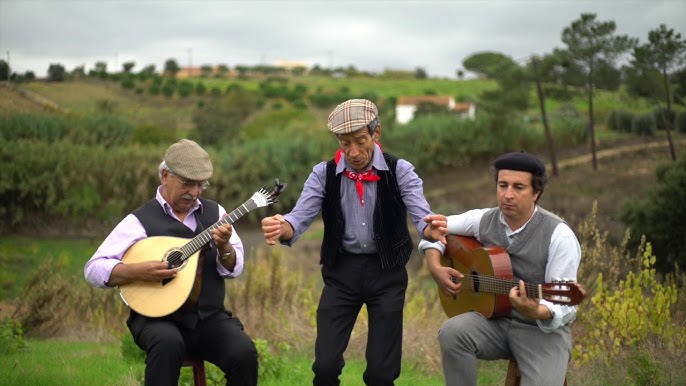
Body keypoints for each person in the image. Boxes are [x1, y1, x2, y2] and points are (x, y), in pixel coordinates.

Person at [261, 98, 448, 386]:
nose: (354, 152)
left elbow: (423, 215)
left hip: (387, 273)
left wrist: (431, 230)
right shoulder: (323, 173)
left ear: (377, 133)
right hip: (341, 273)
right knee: (324, 367)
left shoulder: (400, 171)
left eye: (361, 141)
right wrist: (281, 226)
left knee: (381, 374)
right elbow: (298, 218)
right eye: (345, 143)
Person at [84, 139, 258, 386]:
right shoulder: (139, 221)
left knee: (243, 354)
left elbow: (235, 268)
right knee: (167, 344)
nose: (195, 192)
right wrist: (136, 271)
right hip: (155, 319)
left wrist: (224, 247)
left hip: (207, 318)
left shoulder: (216, 213)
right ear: (165, 175)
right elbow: (93, 268)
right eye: (188, 183)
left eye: (200, 185)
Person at [420, 151, 581, 386]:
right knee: (452, 333)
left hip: (541, 332)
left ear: (536, 193)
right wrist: (435, 266)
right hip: (496, 321)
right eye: (502, 185)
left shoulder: (560, 235)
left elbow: (564, 305)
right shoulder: (482, 219)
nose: (508, 195)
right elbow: (433, 229)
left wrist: (536, 311)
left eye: (518, 187)